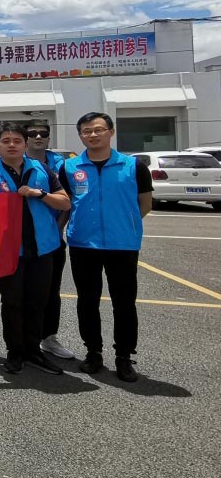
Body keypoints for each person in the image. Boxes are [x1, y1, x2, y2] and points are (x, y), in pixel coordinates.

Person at [59, 112, 153, 382]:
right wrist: (59, 231)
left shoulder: (133, 166)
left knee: (124, 302)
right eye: (87, 131)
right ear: (80, 135)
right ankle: (93, 352)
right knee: (87, 300)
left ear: (111, 132)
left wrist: (125, 224)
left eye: (99, 129)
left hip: (122, 245)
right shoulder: (70, 167)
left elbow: (145, 204)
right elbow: (66, 204)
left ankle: (124, 356)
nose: (93, 135)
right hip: (83, 243)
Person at [0, 122, 71, 374]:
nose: (12, 145)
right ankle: (15, 352)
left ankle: (34, 351)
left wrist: (39, 194)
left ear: (25, 144)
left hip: (43, 249)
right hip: (10, 253)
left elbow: (65, 202)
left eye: (17, 140)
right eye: (6, 141)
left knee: (38, 302)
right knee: (12, 303)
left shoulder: (42, 170)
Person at [23, 119, 76, 360]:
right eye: (32, 133)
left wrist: (58, 228)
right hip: (23, 242)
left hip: (52, 239)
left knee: (51, 292)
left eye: (43, 133)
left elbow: (67, 200)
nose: (38, 137)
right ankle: (24, 341)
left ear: (48, 137)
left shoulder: (62, 165)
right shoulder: (14, 162)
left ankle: (49, 338)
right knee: (23, 293)